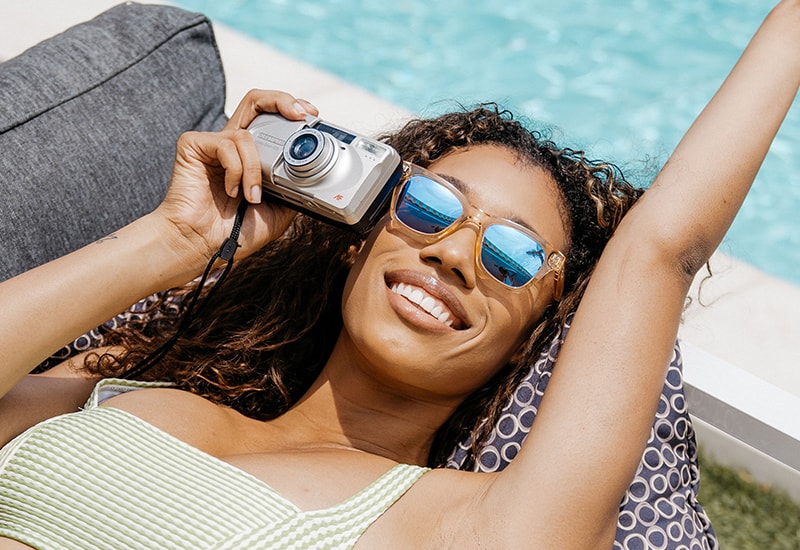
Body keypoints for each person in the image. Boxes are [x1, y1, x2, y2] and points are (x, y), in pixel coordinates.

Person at [1, 1, 797, 547]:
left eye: (512, 255)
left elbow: (660, 249)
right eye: (427, 206)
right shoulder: (130, 385)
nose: (454, 253)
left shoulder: (471, 526)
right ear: (358, 234)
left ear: (533, 340)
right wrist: (172, 242)